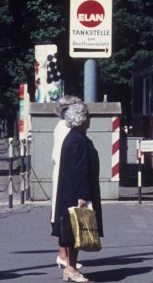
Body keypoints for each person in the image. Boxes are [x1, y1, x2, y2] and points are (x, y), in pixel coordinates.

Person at [52, 102, 102, 283]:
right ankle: (70, 269)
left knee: (75, 232)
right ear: (81, 119)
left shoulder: (74, 137)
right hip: (75, 193)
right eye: (88, 115)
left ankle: (70, 268)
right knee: (75, 232)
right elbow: (79, 169)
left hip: (70, 191)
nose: (90, 119)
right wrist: (82, 196)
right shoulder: (78, 140)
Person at [51, 95, 83, 271]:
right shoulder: (65, 128)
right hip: (65, 177)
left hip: (61, 175)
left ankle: (64, 256)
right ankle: (64, 256)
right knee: (64, 217)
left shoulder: (61, 126)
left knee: (61, 215)